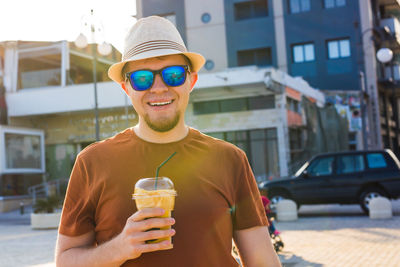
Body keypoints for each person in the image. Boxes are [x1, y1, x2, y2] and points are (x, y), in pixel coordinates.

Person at [55, 16, 281, 267]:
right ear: (126, 88)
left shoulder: (230, 159)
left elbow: (263, 262)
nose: (159, 88)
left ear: (191, 81)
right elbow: (65, 261)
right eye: (142, 78)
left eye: (173, 75)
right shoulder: (92, 162)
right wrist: (119, 248)